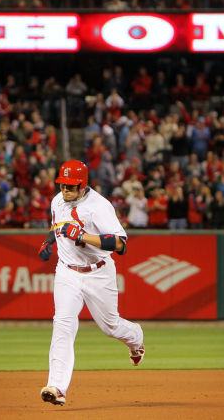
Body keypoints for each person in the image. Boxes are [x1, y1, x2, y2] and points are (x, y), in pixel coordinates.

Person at [38, 160, 144, 407]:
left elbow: (121, 245)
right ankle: (57, 387)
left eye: (70, 186)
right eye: (62, 185)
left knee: (111, 327)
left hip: (98, 273)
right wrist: (48, 241)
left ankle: (136, 338)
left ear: (83, 185)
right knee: (63, 324)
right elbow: (59, 227)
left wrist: (83, 236)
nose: (65, 190)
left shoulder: (99, 206)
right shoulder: (57, 201)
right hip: (67, 273)